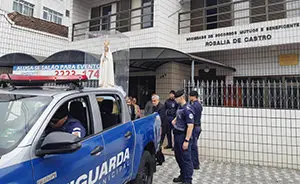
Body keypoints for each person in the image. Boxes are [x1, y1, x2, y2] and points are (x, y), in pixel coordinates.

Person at [172, 89, 194, 184]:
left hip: (183, 136)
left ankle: (188, 180)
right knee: (178, 157)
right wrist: (175, 120)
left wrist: (186, 140)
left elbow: (190, 126)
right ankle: (183, 175)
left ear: (181, 97)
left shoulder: (188, 109)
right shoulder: (180, 107)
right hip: (177, 135)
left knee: (186, 159)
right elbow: (179, 115)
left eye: (176, 98)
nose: (175, 100)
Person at [151, 94, 167, 165]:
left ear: (158, 100)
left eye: (154, 101)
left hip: (161, 128)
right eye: (152, 101)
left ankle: (160, 160)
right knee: (157, 144)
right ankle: (161, 158)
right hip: (157, 128)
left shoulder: (161, 107)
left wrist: (160, 130)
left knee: (158, 144)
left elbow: (161, 119)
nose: (153, 102)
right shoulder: (154, 107)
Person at [189, 91, 203, 170]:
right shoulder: (199, 104)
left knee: (193, 146)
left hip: (194, 127)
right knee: (193, 145)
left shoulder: (194, 105)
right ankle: (195, 163)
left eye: (190, 96)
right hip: (198, 126)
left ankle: (195, 164)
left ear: (193, 96)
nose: (189, 97)